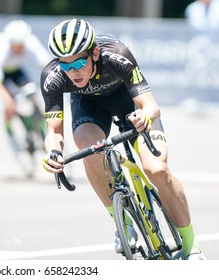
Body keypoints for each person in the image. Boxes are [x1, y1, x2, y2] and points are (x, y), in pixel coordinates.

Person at [41, 18, 206, 260]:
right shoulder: (53, 77)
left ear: (94, 53)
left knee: (157, 169)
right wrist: (52, 153)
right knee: (89, 149)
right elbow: (54, 132)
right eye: (66, 66)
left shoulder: (117, 55)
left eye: (78, 62)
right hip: (90, 107)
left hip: (129, 102)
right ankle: (123, 224)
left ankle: (191, 246)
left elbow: (151, 106)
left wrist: (143, 117)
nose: (73, 71)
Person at [0, 19, 51, 156]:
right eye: (16, 46)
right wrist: (8, 101)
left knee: (34, 95)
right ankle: (9, 130)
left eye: (21, 46)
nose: (19, 49)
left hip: (15, 69)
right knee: (10, 104)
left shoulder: (30, 41)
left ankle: (39, 128)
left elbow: (47, 64)